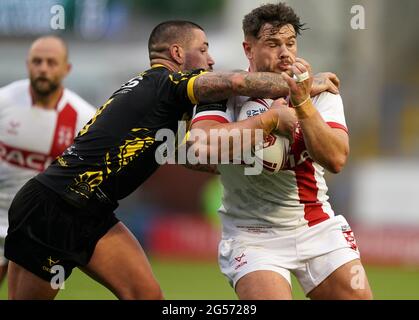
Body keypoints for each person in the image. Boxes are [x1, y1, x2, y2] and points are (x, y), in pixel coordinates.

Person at [4, 20, 338, 300]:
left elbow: (189, 155)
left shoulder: (157, 96)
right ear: (177, 53)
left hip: (92, 211)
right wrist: (306, 87)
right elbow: (236, 81)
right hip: (54, 207)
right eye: (204, 49)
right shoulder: (166, 82)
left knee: (150, 298)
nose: (210, 61)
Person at [190, 3, 373, 299]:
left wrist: (302, 104)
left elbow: (336, 158)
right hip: (252, 235)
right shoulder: (222, 93)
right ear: (248, 49)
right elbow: (199, 147)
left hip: (315, 225)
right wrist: (268, 120)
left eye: (290, 43)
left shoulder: (319, 91)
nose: (285, 52)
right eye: (273, 44)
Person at [0, 36, 96, 287]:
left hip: (40, 228)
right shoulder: (4, 101)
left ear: (67, 69)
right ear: (27, 64)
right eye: (37, 61)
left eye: (51, 62)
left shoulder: (83, 117)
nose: (43, 68)